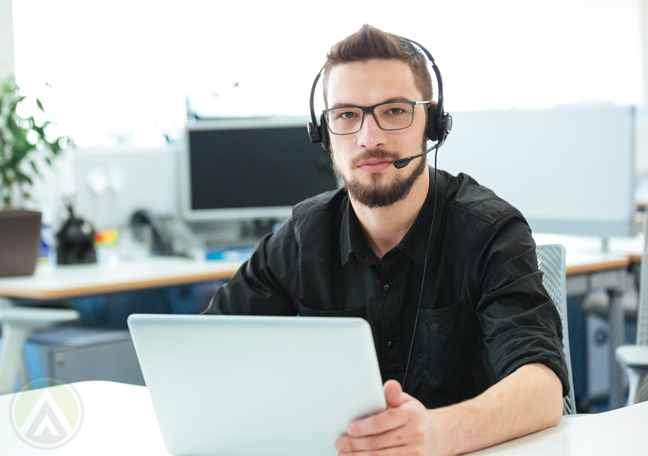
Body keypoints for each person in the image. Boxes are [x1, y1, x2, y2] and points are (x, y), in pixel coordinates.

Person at [205, 24, 569, 456]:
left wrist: (439, 432)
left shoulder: (490, 231)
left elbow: (543, 388)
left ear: (432, 124)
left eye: (394, 111)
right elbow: (207, 353)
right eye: (346, 115)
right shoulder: (302, 238)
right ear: (323, 134)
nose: (368, 138)